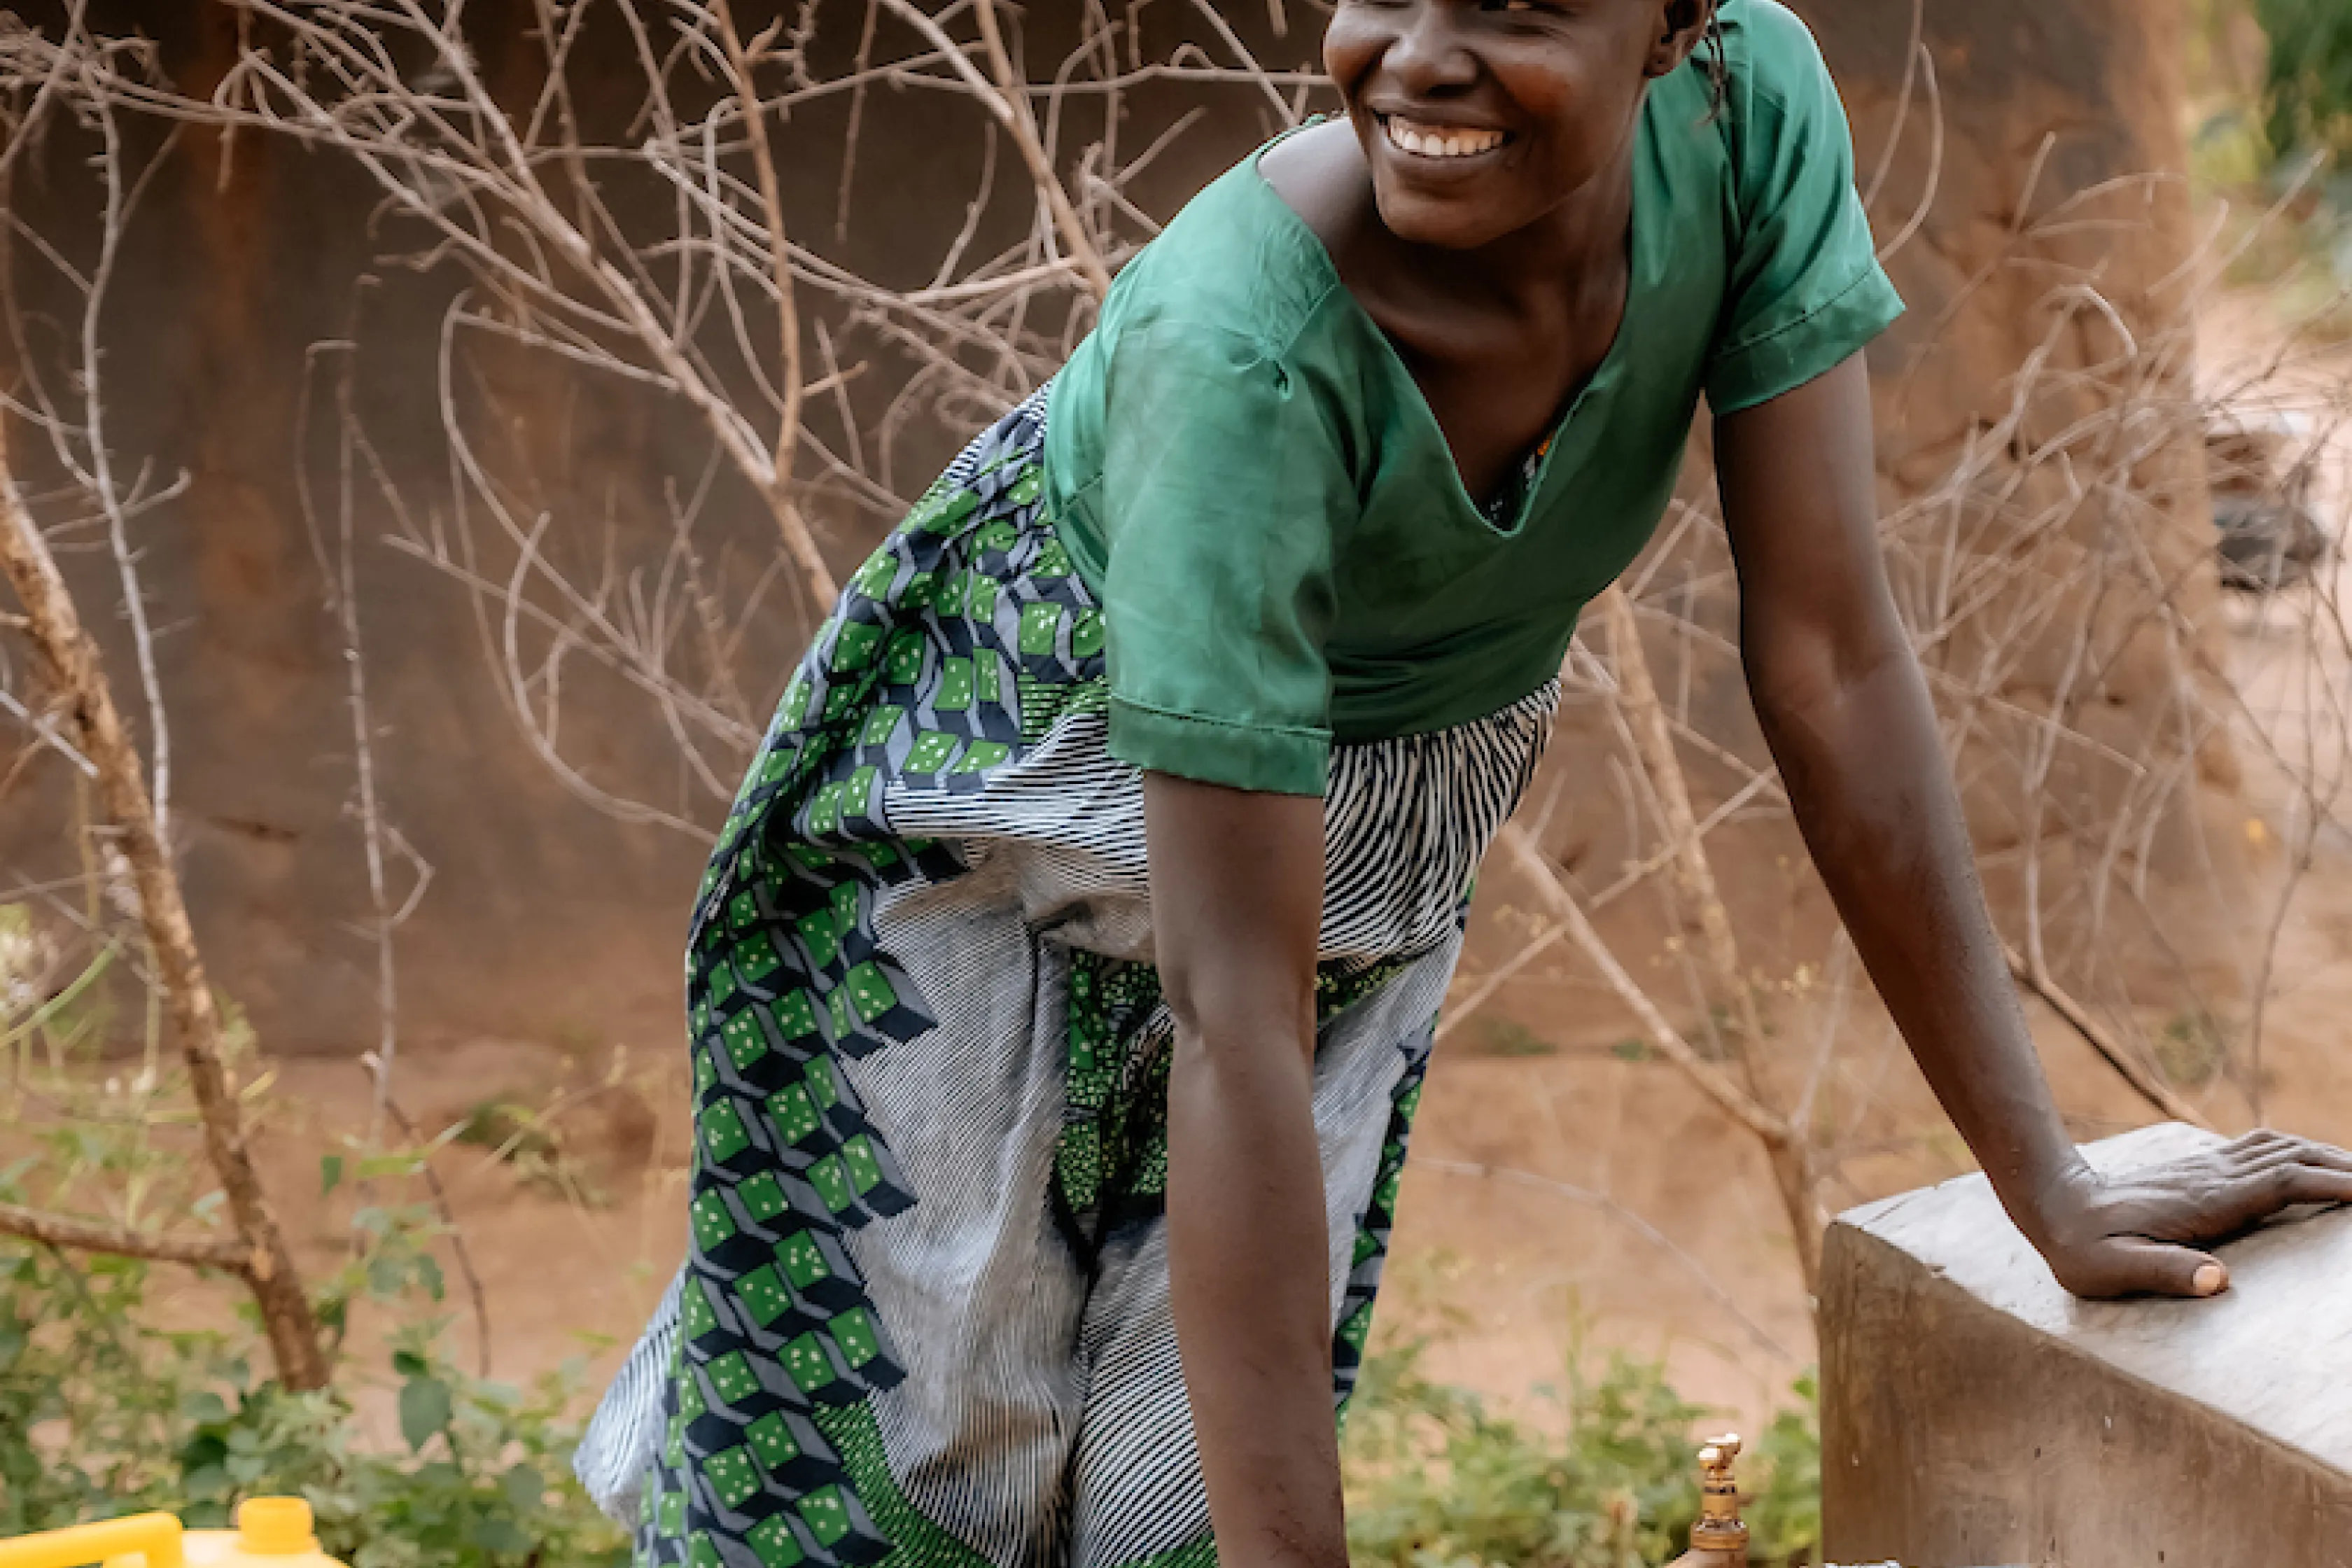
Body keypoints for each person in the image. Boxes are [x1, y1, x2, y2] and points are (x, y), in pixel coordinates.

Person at [582, 4, 2352, 1566]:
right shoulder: (1248, 350)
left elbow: (1830, 661)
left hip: (1358, 845)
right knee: (909, 1449)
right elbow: (1234, 1017)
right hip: (988, 834)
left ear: (1673, 25)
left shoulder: (1744, 114)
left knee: (1166, 1487)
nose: (1419, 56)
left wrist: (2047, 1181)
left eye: (1512, 1)